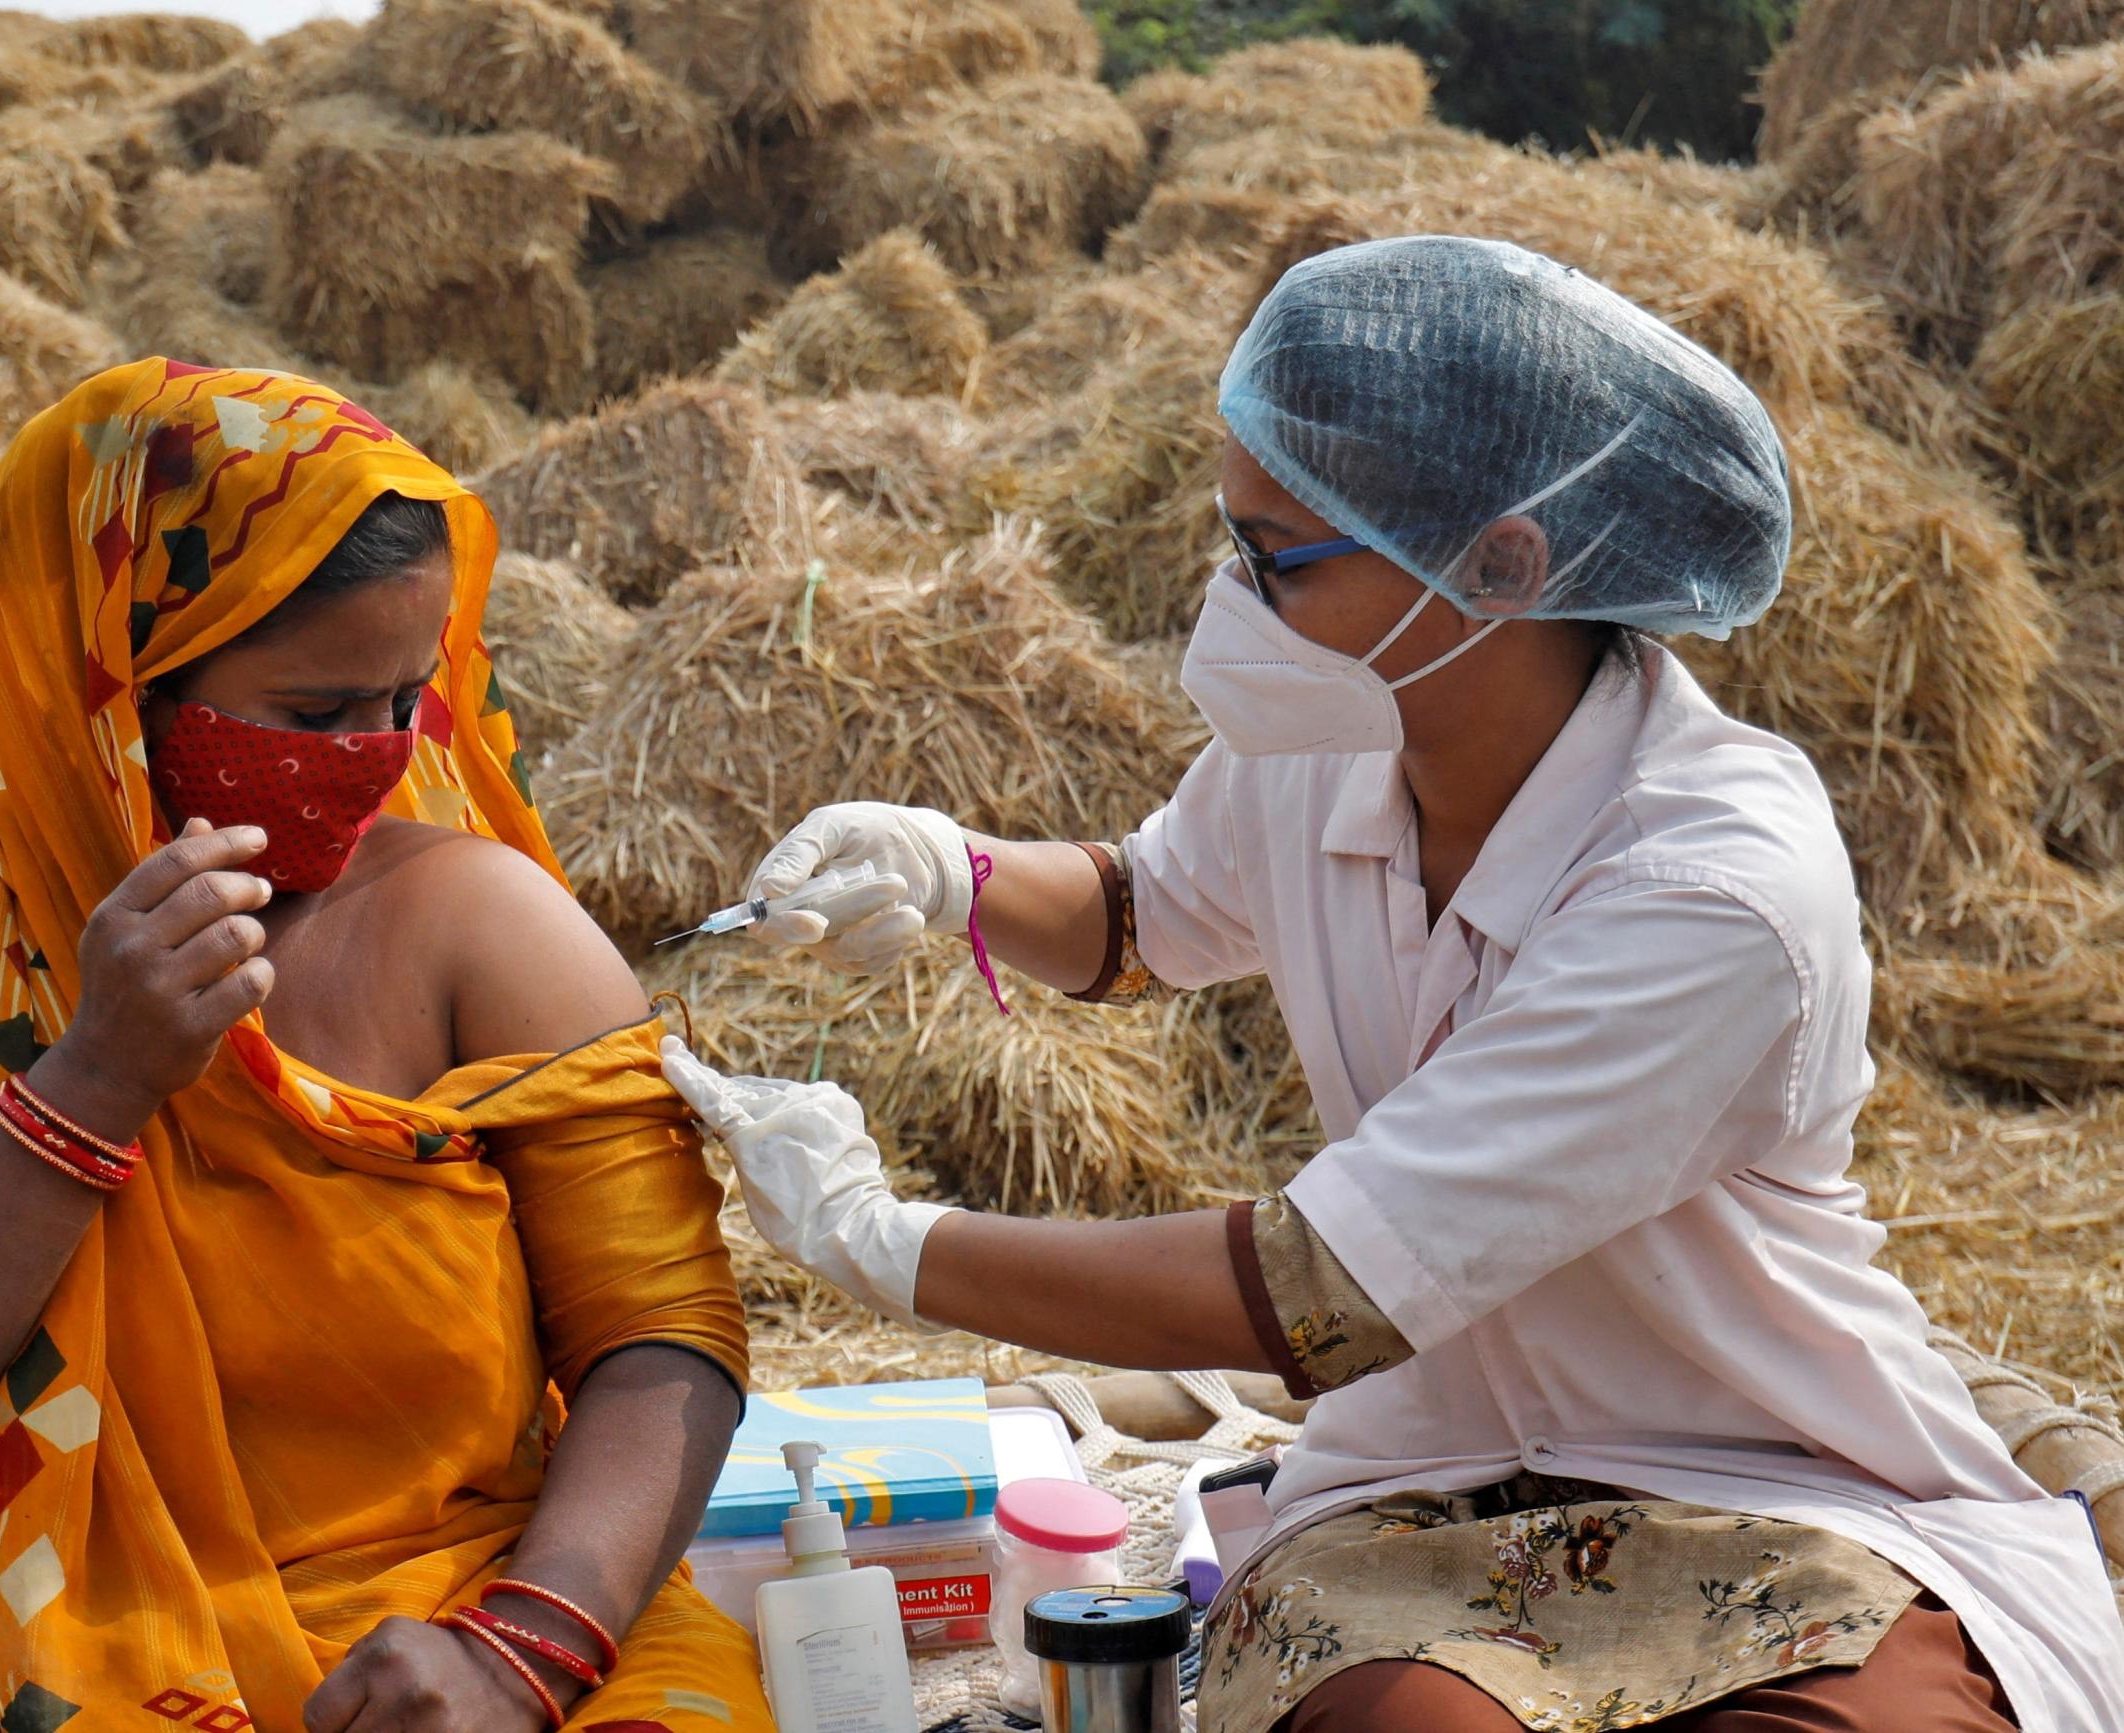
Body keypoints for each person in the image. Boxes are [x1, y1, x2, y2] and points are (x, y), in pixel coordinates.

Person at [662, 237, 2124, 1732]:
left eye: (1280, 558)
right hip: (1419, 1499)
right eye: (1233, 543)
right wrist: (942, 866)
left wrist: (889, 1243)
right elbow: (1141, 913)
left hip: (1768, 1479)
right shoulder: (1334, 737)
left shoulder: (1710, 885)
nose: (1236, 607)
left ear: (1504, 561)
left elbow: (1318, 1295)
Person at [0, 360, 769, 1733]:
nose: (377, 753)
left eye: (407, 697)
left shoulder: (482, 928)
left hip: (472, 1627)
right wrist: (93, 1081)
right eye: (315, 714)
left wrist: (523, 1652)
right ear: (113, 686)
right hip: (48, 1646)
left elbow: (662, 1335)